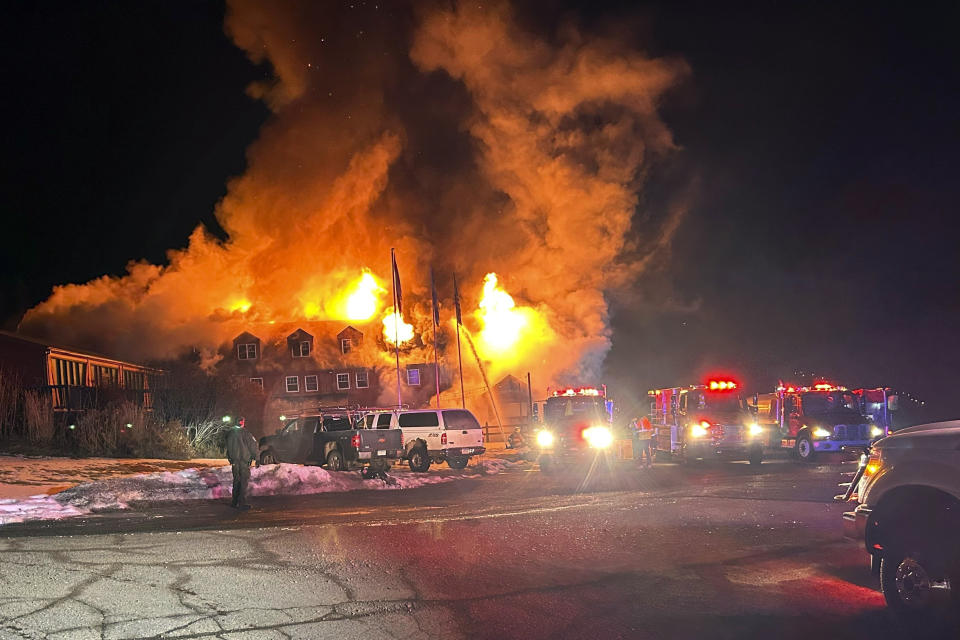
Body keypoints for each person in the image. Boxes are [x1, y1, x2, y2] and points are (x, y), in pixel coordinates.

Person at [225, 417, 258, 510]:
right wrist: (257, 458)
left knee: (236, 481)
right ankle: (242, 503)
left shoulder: (230, 433)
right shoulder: (246, 433)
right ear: (242, 422)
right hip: (244, 462)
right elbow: (253, 446)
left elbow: (228, 448)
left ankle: (234, 502)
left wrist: (231, 459)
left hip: (235, 462)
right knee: (243, 482)